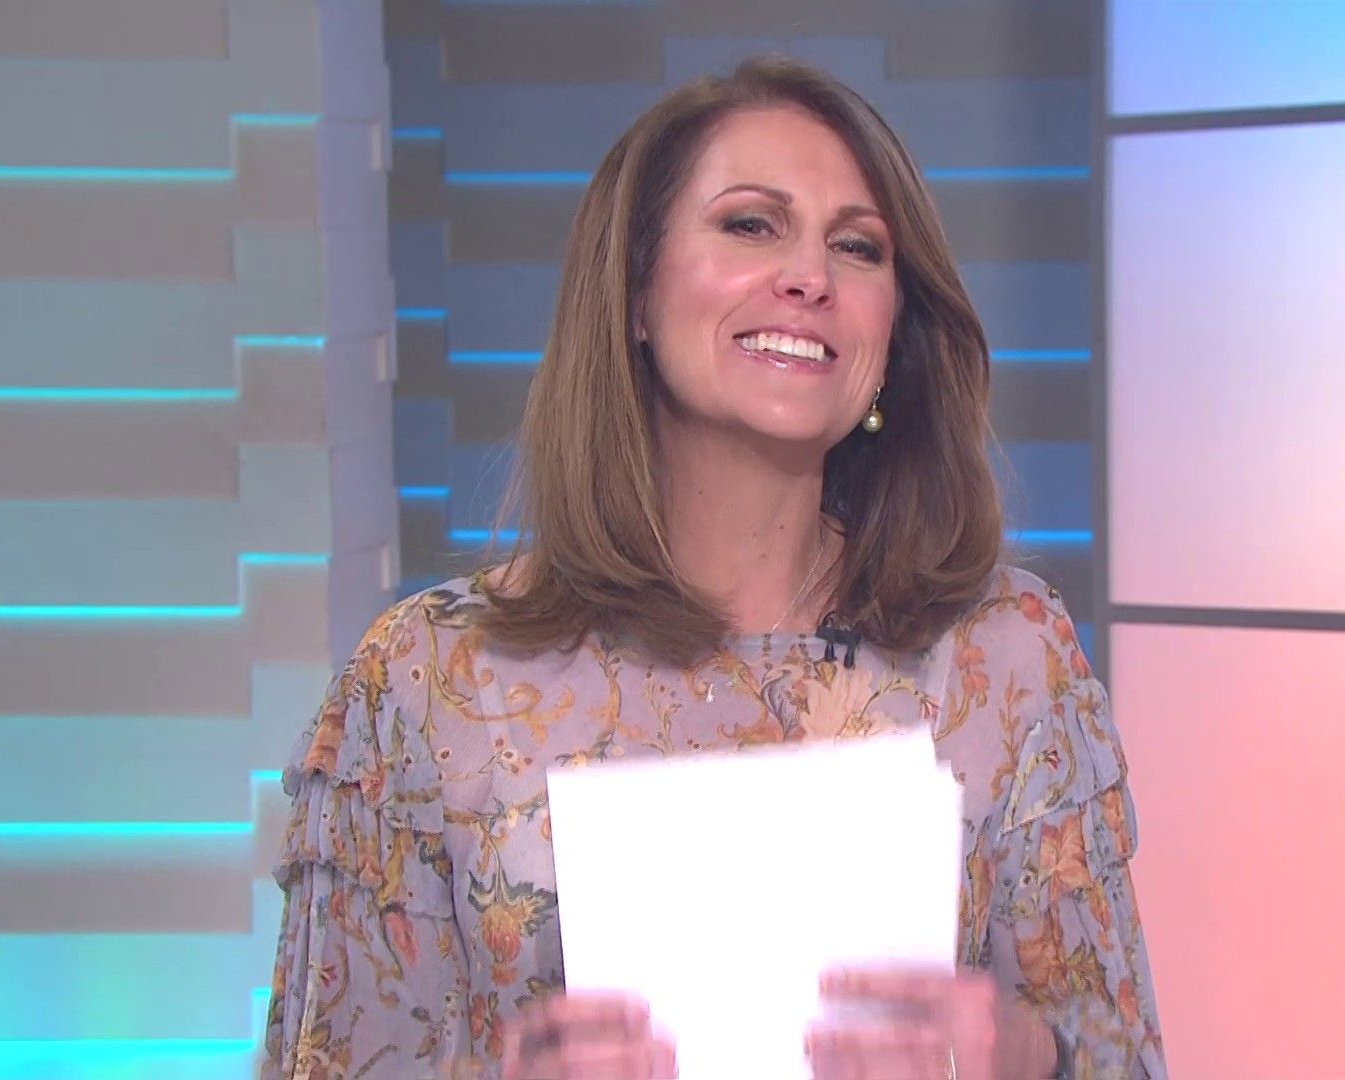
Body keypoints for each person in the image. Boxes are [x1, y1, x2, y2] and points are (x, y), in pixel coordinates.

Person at [262, 56, 1167, 1080]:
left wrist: (1027, 1055)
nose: (810, 276)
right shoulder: (428, 684)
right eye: (751, 224)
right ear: (636, 295)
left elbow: (1127, 1057)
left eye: (857, 246)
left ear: (891, 334)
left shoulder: (1008, 659)